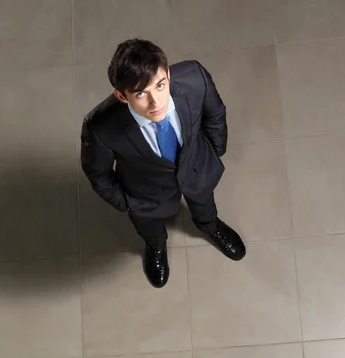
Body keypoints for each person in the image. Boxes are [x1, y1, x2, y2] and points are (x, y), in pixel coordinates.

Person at [80, 38, 246, 289]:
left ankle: (210, 225)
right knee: (149, 226)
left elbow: (215, 114)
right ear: (121, 95)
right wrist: (126, 202)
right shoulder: (101, 126)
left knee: (204, 200)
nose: (155, 102)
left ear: (168, 74)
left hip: (195, 166)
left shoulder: (194, 78)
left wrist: (214, 150)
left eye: (160, 85)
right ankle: (156, 246)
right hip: (143, 191)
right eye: (140, 93)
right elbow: (98, 174)